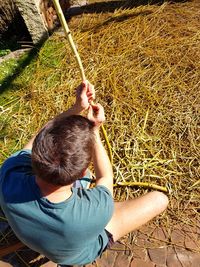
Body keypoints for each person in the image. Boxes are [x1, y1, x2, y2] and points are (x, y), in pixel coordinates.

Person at [0, 81, 169, 266]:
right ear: (80, 174)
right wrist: (94, 130)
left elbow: (40, 136)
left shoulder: (9, 174)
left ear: (34, 157)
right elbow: (105, 177)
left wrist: (76, 108)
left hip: (28, 234)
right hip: (76, 253)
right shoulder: (96, 210)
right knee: (160, 199)